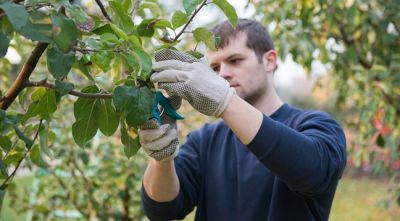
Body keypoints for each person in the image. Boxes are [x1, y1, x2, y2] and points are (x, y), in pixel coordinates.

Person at [139, 18, 346, 221]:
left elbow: (314, 173)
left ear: (269, 60)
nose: (224, 74)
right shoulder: (204, 141)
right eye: (215, 68)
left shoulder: (317, 125)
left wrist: (225, 101)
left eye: (235, 60)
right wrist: (161, 160)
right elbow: (162, 210)